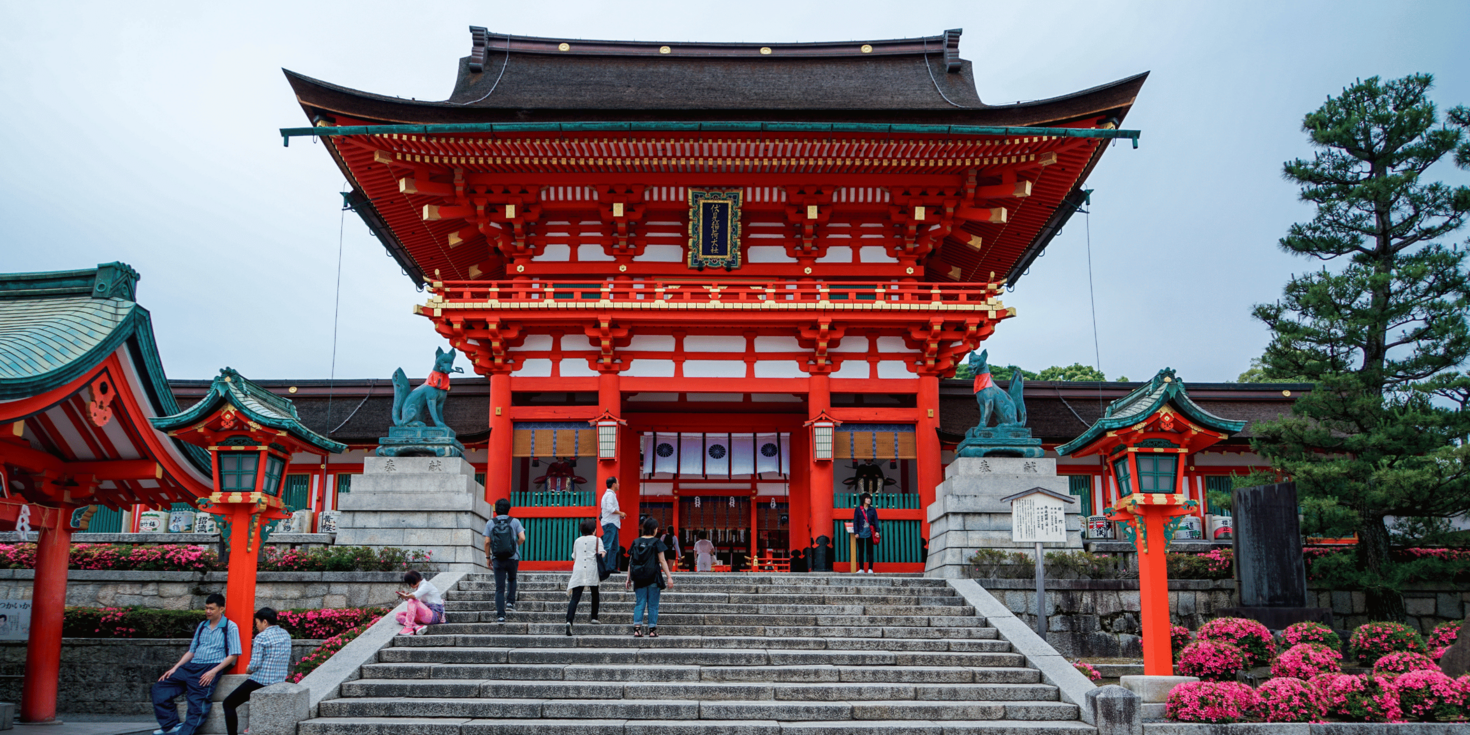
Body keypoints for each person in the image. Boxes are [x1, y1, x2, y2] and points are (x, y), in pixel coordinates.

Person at [151, 592, 241, 735]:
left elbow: (234, 654)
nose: (208, 611)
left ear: (221, 609)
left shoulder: (230, 627)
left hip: (210, 667)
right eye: (206, 608)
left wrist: (213, 671)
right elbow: (191, 651)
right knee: (160, 688)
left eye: (211, 608)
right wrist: (175, 668)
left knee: (197, 706)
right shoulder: (202, 625)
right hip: (191, 666)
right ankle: (170, 726)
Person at [221, 607, 292, 735]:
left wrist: (248, 669)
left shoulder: (262, 637)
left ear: (264, 622)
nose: (257, 626)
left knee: (228, 703)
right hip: (279, 680)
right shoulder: (286, 634)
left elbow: (255, 665)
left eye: (257, 623)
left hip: (261, 680)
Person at [626, 517, 674, 637]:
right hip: (653, 577)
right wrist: (669, 577)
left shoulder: (636, 542)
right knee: (653, 604)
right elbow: (662, 561)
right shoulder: (657, 542)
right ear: (654, 529)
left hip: (638, 577)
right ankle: (652, 630)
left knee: (640, 603)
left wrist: (628, 578)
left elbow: (630, 562)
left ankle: (637, 629)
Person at [484, 497, 525, 624]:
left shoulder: (491, 523)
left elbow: (487, 542)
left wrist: (488, 557)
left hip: (498, 558)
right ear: (508, 509)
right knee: (512, 579)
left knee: (499, 588)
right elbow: (522, 538)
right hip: (512, 557)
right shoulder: (515, 521)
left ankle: (501, 616)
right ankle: (510, 603)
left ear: (496, 509)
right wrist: (514, 546)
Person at [565, 518, 606, 636]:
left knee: (575, 598)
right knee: (595, 593)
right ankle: (594, 617)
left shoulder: (577, 540)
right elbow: (601, 554)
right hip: (592, 569)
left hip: (578, 570)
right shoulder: (597, 540)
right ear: (593, 529)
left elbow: (574, 556)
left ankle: (569, 620)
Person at [395, 570, 445, 634]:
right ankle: (417, 627)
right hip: (425, 615)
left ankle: (409, 627)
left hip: (434, 616)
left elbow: (414, 596)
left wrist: (407, 596)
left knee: (411, 600)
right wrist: (406, 597)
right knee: (398, 615)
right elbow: (416, 603)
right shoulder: (420, 587)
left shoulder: (426, 585)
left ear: (411, 582)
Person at [600, 477, 626, 574]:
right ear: (614, 484)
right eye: (618, 482)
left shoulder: (608, 495)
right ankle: (602, 567)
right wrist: (621, 513)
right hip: (610, 523)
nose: (618, 484)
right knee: (607, 546)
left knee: (614, 547)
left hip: (611, 523)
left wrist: (619, 515)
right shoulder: (610, 495)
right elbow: (610, 509)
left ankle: (610, 567)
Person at [853, 492, 880, 574]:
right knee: (861, 550)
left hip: (869, 531)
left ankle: (870, 569)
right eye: (867, 498)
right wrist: (856, 532)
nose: (869, 500)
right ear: (863, 499)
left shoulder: (872, 509)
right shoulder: (858, 509)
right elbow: (856, 521)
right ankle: (861, 569)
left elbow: (876, 521)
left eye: (869, 498)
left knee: (870, 551)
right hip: (860, 531)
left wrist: (877, 531)